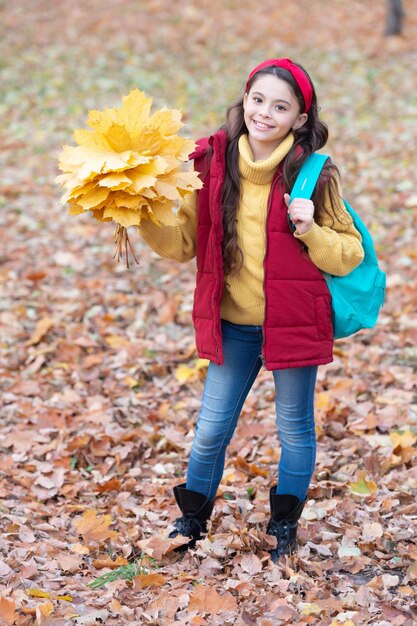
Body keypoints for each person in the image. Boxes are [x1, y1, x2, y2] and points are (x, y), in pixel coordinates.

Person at [138, 58, 364, 562]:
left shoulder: (314, 175)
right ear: (245, 99)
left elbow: (349, 254)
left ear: (300, 118)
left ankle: (283, 524)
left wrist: (312, 230)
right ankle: (192, 518)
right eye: (258, 100)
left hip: (293, 323)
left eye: (281, 107)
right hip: (235, 326)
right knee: (212, 428)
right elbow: (179, 246)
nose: (265, 113)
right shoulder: (209, 162)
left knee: (295, 428)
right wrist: (141, 213)